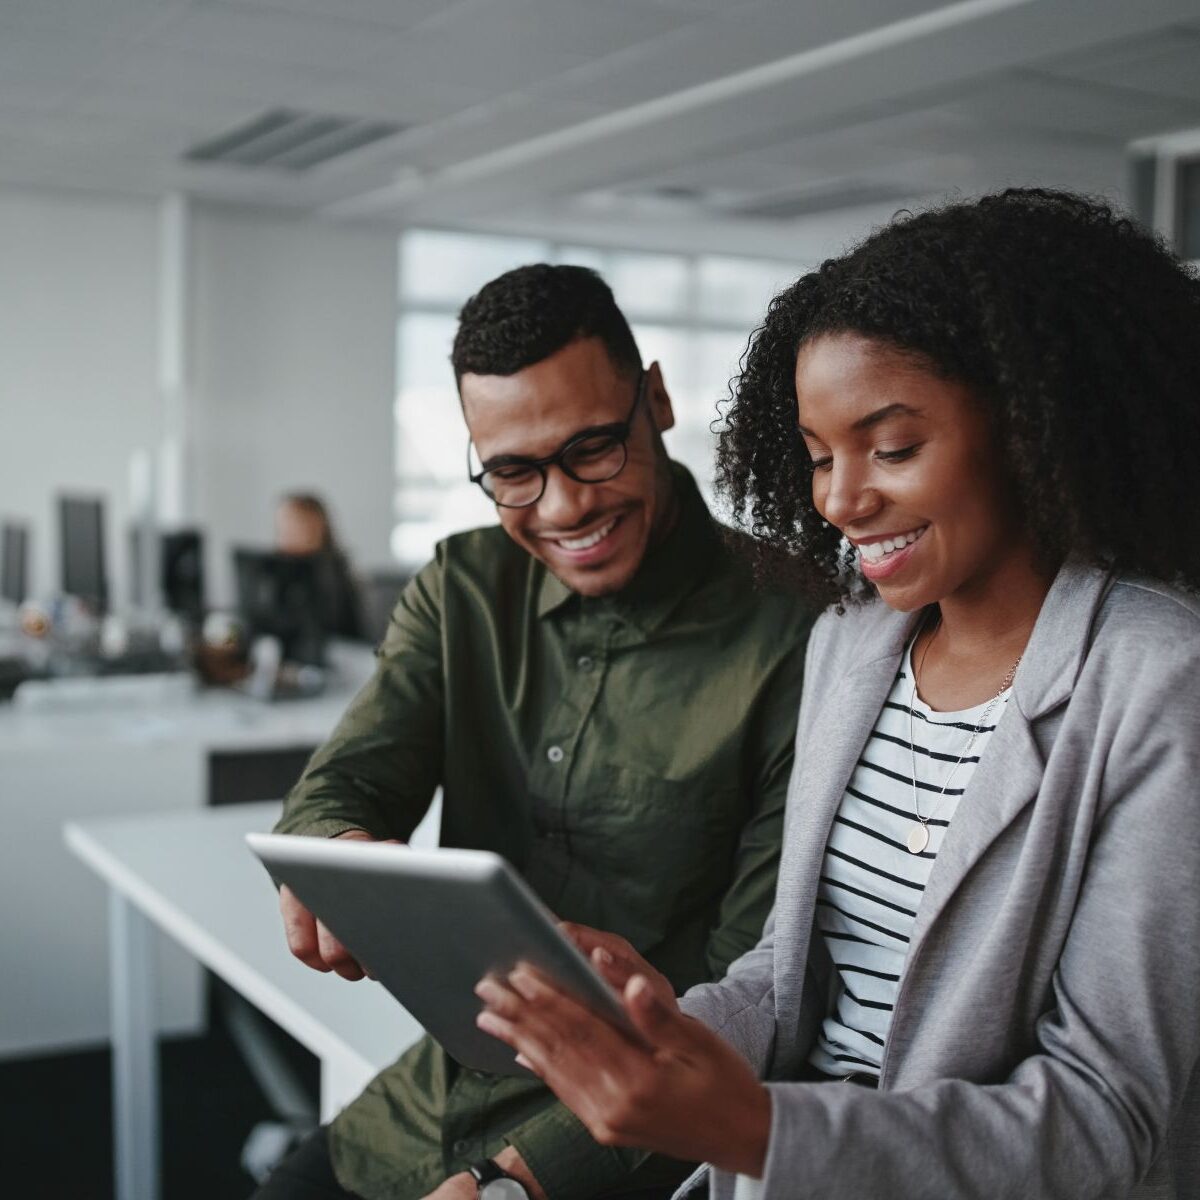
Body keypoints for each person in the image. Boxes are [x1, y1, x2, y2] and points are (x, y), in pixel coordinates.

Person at [475, 190, 1200, 1199]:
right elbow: (790, 972)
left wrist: (762, 1126)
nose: (839, 499)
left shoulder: (1160, 681)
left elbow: (1102, 1120)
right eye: (819, 457)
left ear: (1031, 423)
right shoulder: (851, 643)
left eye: (892, 448)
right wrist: (656, 1024)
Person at [258, 265, 814, 1200]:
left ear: (659, 400)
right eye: (513, 472)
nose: (564, 507)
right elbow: (337, 789)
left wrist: (520, 1183)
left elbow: (755, 993)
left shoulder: (800, 632)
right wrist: (330, 856)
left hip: (633, 1146)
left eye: (594, 447)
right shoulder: (462, 585)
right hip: (433, 1102)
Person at [275, 491, 367, 641]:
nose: (283, 537)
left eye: (291, 526)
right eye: (281, 529)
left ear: (317, 527)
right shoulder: (278, 571)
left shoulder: (332, 573)